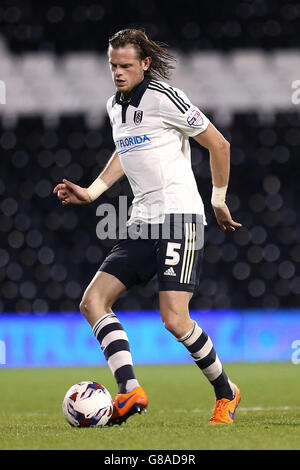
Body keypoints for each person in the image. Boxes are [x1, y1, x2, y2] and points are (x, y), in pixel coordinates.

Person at [53, 28, 242, 425]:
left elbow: (219, 145)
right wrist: (91, 192)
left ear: (145, 64)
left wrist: (219, 201)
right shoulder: (114, 106)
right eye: (112, 66)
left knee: (174, 318)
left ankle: (226, 392)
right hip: (142, 220)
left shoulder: (164, 97)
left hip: (180, 217)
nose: (118, 73)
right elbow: (126, 151)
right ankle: (129, 390)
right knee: (92, 302)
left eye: (125, 66)